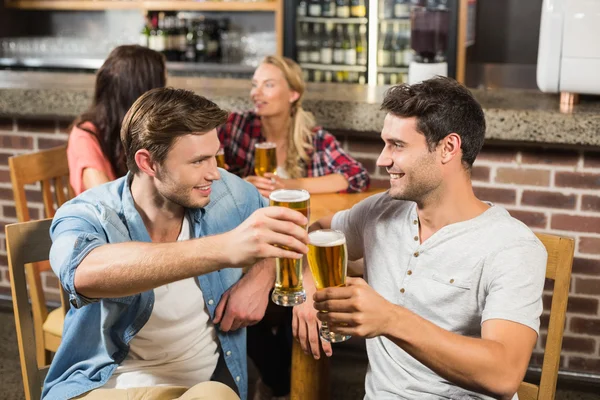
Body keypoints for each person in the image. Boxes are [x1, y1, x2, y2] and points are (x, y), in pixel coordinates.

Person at [43, 87, 310, 400]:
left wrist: (261, 277)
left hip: (197, 390)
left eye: (215, 156)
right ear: (148, 162)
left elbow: (297, 229)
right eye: (198, 161)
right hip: (103, 386)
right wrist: (223, 249)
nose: (215, 173)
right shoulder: (88, 213)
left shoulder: (228, 195)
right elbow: (82, 274)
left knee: (214, 395)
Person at [300, 77, 547, 399]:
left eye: (397, 145)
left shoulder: (511, 247)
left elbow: (503, 375)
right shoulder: (380, 211)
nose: (382, 160)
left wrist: (389, 318)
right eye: (385, 143)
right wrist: (307, 286)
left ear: (448, 148)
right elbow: (319, 234)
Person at [218, 55, 370, 196]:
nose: (255, 93)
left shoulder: (313, 139)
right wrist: (240, 184)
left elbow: (357, 176)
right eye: (254, 85)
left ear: (293, 94)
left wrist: (286, 185)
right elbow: (202, 167)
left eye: (268, 85)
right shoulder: (236, 125)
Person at [67, 45, 166, 195]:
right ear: (140, 94)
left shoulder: (145, 129)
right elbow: (106, 201)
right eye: (160, 89)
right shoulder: (85, 136)